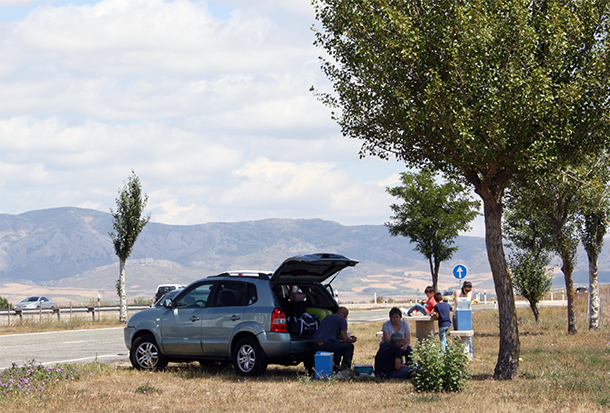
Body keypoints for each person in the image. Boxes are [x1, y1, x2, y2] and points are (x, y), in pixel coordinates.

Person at [313, 306, 358, 371]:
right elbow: (345, 339)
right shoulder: (341, 320)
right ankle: (345, 369)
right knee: (349, 347)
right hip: (326, 343)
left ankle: (335, 367)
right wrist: (352, 340)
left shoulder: (327, 317)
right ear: (346, 316)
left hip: (316, 343)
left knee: (337, 347)